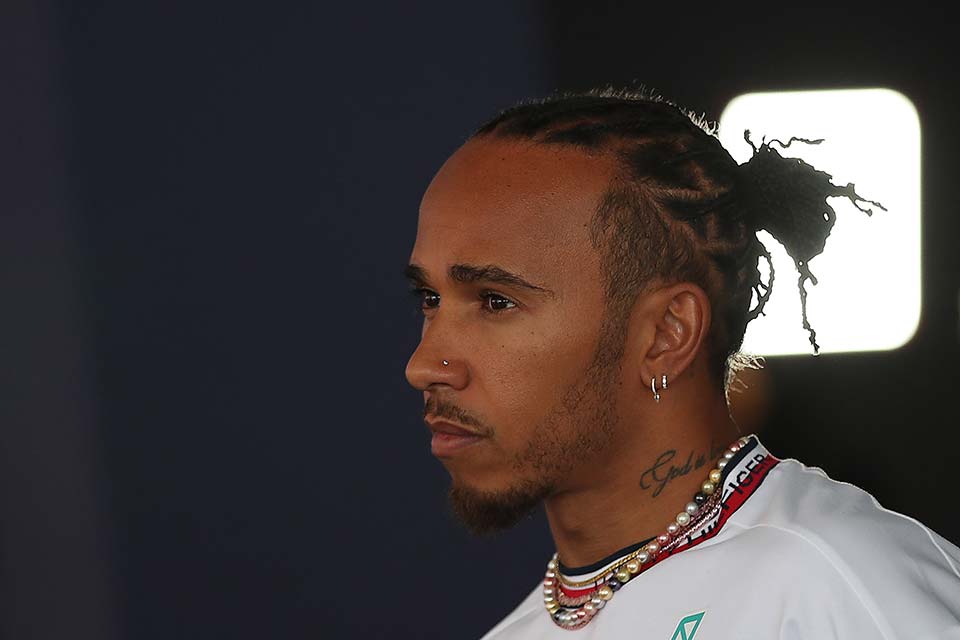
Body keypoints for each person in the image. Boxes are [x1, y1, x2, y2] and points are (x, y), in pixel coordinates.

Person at [402, 88, 960, 639]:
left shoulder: (834, 580)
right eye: (429, 299)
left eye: (496, 302)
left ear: (667, 333)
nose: (424, 366)